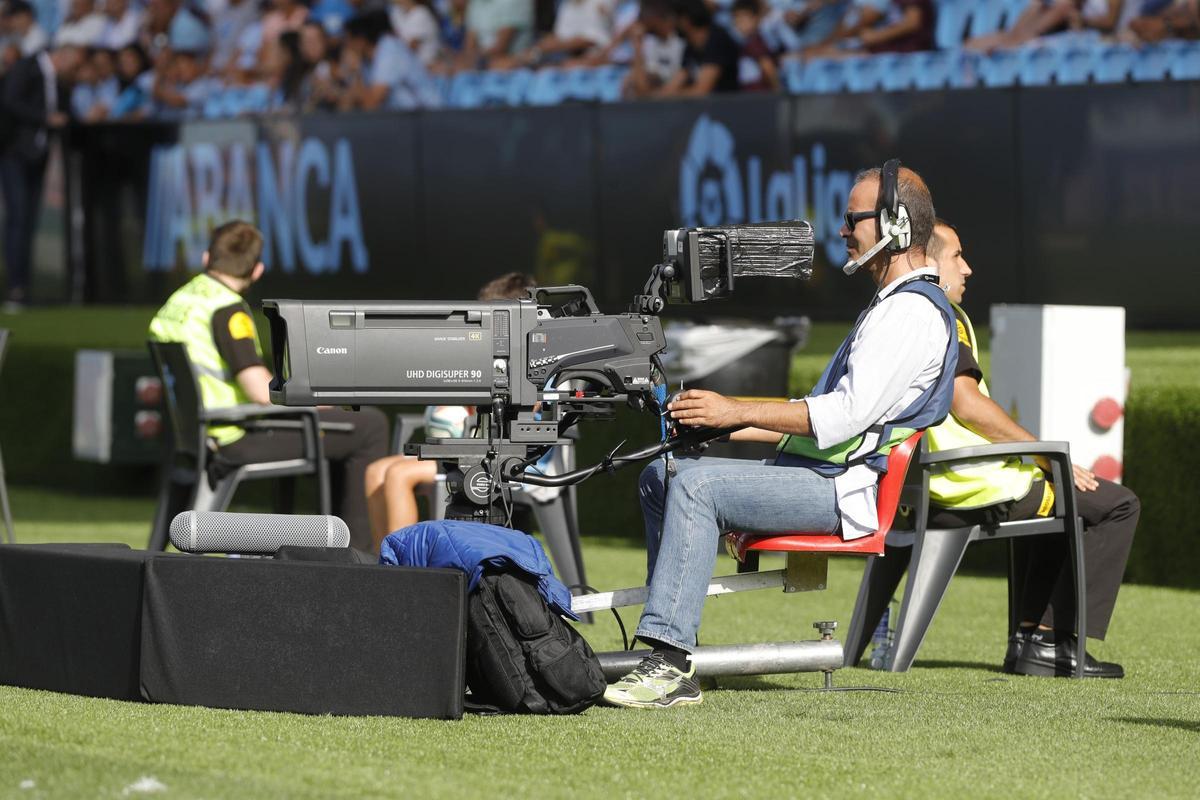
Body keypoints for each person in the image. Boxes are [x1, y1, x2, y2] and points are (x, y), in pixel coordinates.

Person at [603, 163, 957, 708]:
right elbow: (834, 418)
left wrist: (732, 409)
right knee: (662, 476)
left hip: (843, 490)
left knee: (698, 488)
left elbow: (840, 419)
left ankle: (668, 661)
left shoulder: (908, 313)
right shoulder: (894, 307)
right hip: (824, 473)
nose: (841, 231)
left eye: (851, 219)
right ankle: (677, 641)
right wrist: (725, 421)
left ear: (896, 226)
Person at [923, 220, 1139, 678]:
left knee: (1054, 492)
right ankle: (1049, 642)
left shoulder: (898, 316)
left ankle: (1029, 639)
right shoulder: (941, 315)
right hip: (964, 486)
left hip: (930, 487)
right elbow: (967, 404)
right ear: (928, 263)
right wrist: (1039, 451)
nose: (968, 268)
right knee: (1118, 505)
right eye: (956, 256)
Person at [148, 221, 389, 551]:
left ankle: (335, 549)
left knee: (342, 427)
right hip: (233, 435)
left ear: (207, 258)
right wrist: (319, 401)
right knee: (368, 425)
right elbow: (260, 392)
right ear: (257, 270)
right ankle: (360, 555)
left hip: (196, 436)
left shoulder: (179, 301)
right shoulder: (227, 311)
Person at [364, 272, 538, 551]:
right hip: (463, 448)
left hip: (498, 456)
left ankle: (406, 565)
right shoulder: (484, 359)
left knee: (398, 475)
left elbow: (526, 412)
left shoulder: (530, 360)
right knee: (376, 471)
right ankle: (380, 560)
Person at [1, 45, 82, 310]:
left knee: (29, 220)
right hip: (15, 153)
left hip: (39, 155)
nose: (75, 70)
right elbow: (10, 101)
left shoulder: (57, 81)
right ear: (61, 55)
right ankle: (15, 285)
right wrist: (45, 118)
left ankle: (24, 286)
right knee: (18, 217)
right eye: (74, 63)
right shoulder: (27, 68)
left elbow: (67, 111)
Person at [656, 0, 741, 96]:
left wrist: (671, 94)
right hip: (703, 108)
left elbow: (701, 91)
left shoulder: (718, 40)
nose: (670, 23)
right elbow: (672, 86)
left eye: (673, 18)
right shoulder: (690, 46)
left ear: (685, 20)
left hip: (726, 108)